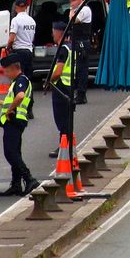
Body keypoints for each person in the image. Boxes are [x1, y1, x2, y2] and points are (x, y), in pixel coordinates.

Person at [0, 52, 38, 197]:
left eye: (6, 71)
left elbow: (20, 96)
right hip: (15, 121)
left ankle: (29, 179)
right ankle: (16, 184)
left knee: (10, 152)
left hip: (14, 121)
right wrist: (3, 104)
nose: (5, 74)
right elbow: (15, 99)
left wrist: (9, 110)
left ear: (14, 68)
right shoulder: (17, 82)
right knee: (15, 152)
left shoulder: (21, 80)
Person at [46, 20, 76, 159]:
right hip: (68, 86)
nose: (52, 34)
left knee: (62, 119)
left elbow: (58, 71)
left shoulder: (63, 49)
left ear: (59, 32)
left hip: (61, 87)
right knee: (66, 118)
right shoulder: (70, 47)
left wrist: (49, 80)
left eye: (53, 31)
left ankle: (64, 147)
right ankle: (66, 145)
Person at [65, 0, 93, 104]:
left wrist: (71, 10)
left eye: (73, 0)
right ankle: (77, 93)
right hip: (76, 42)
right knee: (76, 69)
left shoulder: (84, 9)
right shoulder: (78, 9)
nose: (71, 2)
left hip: (82, 43)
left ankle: (81, 95)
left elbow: (74, 20)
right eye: (70, 0)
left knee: (82, 70)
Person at [4, 0, 35, 68]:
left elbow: (11, 39)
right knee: (28, 75)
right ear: (26, 7)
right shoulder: (32, 21)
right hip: (29, 52)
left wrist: (7, 48)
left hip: (19, 52)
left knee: (19, 75)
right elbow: (33, 38)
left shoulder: (15, 20)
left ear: (16, 7)